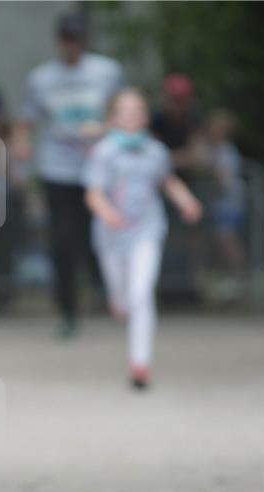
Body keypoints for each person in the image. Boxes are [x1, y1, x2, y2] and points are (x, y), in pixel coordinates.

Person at [85, 89, 202, 389]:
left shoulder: (155, 151)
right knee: (123, 298)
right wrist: (108, 214)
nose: (133, 116)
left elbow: (168, 181)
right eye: (125, 111)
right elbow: (93, 194)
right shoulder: (103, 151)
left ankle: (140, 364)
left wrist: (187, 201)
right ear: (113, 118)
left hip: (146, 231)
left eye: (138, 110)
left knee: (141, 294)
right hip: (111, 237)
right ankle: (117, 301)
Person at [15, 13, 124, 338]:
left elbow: (123, 112)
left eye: (77, 39)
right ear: (59, 41)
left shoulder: (107, 71)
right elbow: (27, 121)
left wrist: (106, 130)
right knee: (63, 241)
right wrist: (22, 151)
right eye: (66, 39)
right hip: (58, 169)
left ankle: (112, 296)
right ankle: (68, 310)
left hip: (98, 168)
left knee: (99, 237)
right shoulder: (42, 78)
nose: (71, 46)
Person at [200, 109, 247, 299]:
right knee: (219, 241)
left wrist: (207, 167)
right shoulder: (216, 149)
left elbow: (224, 178)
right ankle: (226, 282)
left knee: (226, 239)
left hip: (229, 203)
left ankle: (239, 279)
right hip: (219, 203)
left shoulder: (226, 151)